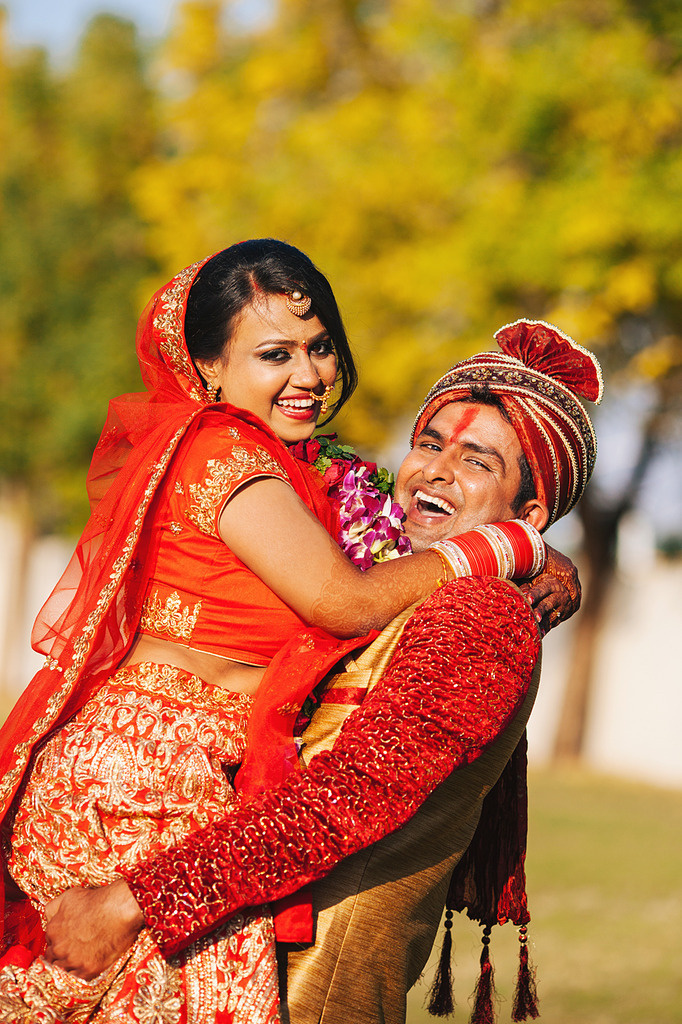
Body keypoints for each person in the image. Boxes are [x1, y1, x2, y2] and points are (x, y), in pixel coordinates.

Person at [0, 243, 549, 1024]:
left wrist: (536, 546)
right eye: (274, 354)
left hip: (187, 771)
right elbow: (345, 602)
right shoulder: (224, 452)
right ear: (209, 369)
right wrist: (510, 547)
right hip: (145, 772)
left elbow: (404, 570)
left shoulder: (301, 469)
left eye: (319, 346)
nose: (308, 375)